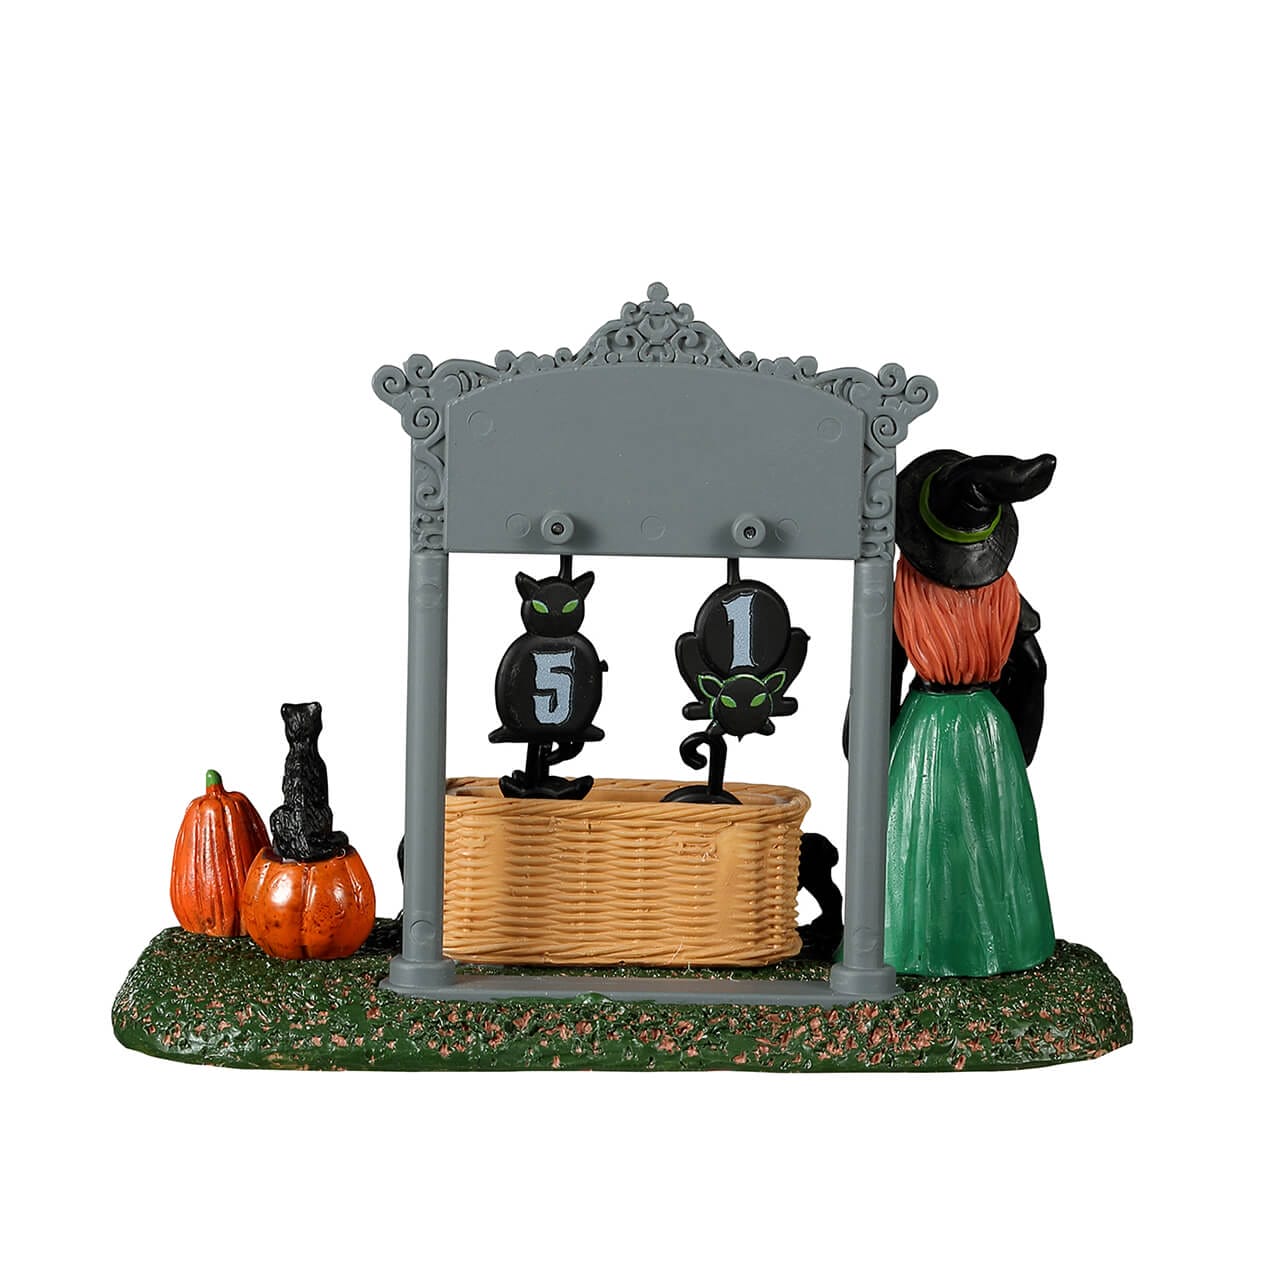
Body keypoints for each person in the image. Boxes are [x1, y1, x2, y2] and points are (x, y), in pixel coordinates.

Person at [884, 449, 1057, 976]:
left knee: (925, 836)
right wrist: (1017, 742)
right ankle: (996, 941)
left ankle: (918, 944)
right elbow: (1034, 669)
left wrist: (865, 733)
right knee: (979, 837)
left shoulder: (908, 593)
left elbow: (884, 669)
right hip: (986, 726)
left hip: (926, 726)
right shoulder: (1000, 595)